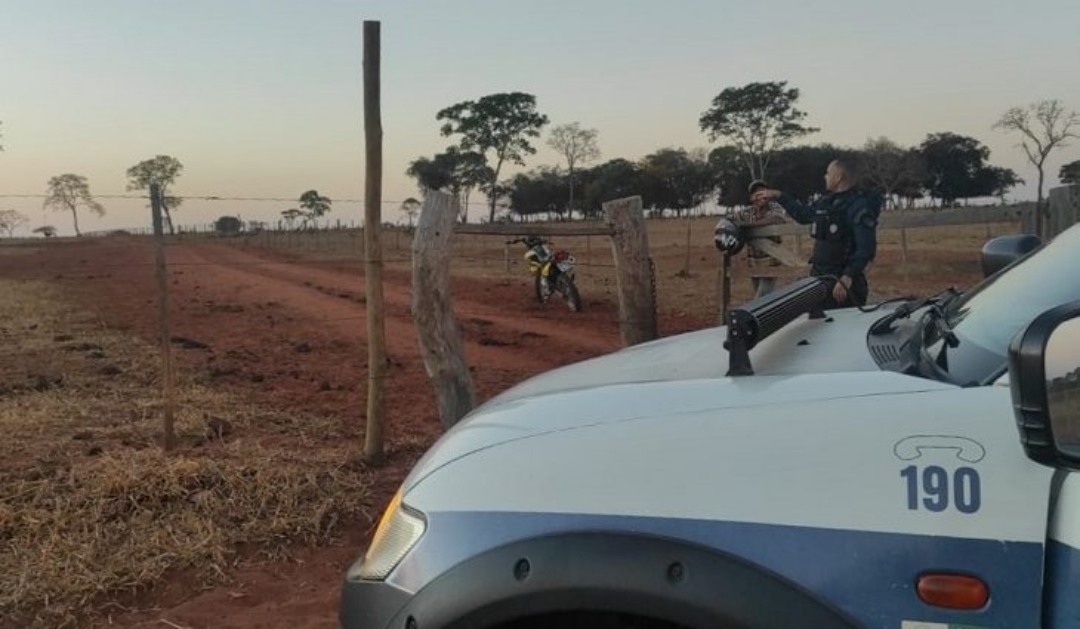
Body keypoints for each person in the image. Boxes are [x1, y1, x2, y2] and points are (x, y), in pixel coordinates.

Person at [752, 158, 881, 308]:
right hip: (820, 280)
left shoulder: (858, 206)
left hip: (843, 286)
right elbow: (802, 214)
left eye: (828, 173)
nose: (825, 177)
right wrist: (779, 195)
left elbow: (866, 248)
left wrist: (848, 276)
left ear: (838, 177)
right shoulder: (826, 202)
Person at [733, 180, 787, 299]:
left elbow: (777, 219)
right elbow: (732, 220)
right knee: (764, 297)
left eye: (762, 192)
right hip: (754, 264)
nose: (760, 196)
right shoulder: (747, 211)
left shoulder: (775, 206)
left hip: (771, 263)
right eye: (756, 193)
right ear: (751, 198)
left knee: (761, 298)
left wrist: (749, 225)